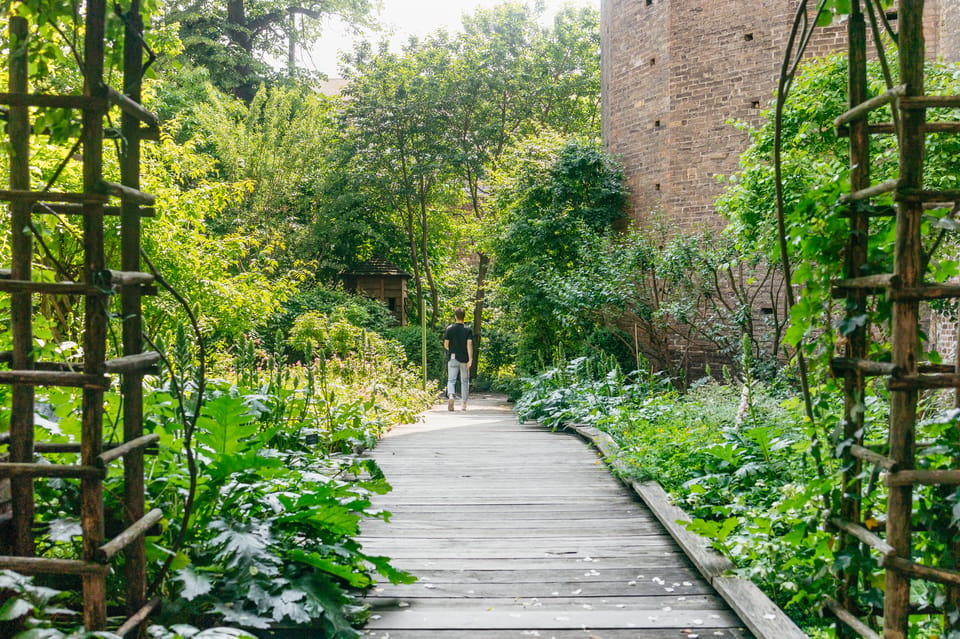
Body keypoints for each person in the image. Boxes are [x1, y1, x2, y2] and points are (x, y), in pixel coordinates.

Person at [443, 308, 473, 411]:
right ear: (464, 316)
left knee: (451, 380)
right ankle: (464, 404)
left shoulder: (450, 328)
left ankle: (451, 395)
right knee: (464, 381)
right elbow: (469, 344)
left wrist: (451, 350)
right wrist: (470, 359)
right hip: (464, 359)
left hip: (453, 357)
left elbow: (446, 344)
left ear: (455, 316)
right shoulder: (468, 330)